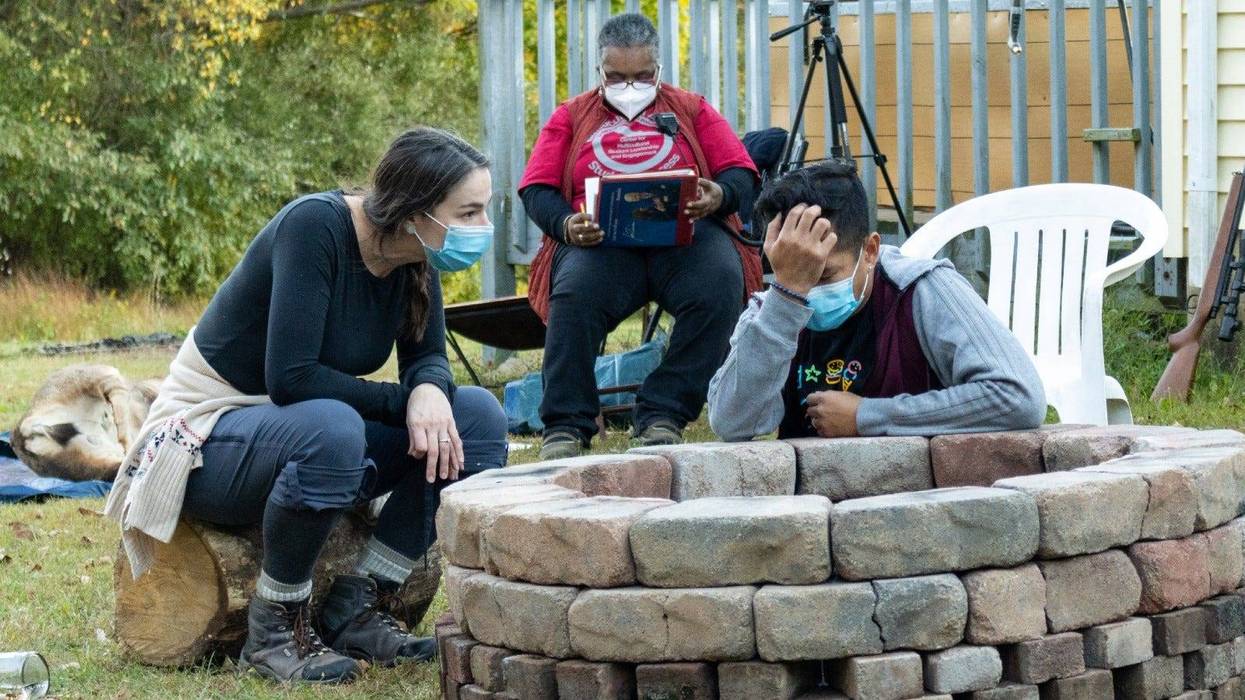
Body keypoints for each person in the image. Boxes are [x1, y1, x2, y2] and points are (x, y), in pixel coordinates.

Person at [104, 127, 509, 684]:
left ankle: (361, 604)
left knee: (480, 418)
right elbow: (292, 378)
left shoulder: (417, 256)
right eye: (467, 213)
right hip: (203, 438)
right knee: (334, 427)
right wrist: (406, 400)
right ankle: (274, 628)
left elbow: (428, 359)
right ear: (416, 209)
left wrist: (430, 390)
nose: (480, 229)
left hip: (296, 433)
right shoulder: (315, 227)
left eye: (483, 211)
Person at [519, 13, 764, 460]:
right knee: (573, 297)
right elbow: (536, 189)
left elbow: (741, 174)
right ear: (600, 70)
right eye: (616, 76)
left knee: (720, 286)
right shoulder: (571, 117)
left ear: (658, 70)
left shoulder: (691, 108)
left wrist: (719, 195)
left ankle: (663, 413)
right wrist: (565, 225)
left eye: (641, 76)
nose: (629, 86)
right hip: (599, 245)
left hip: (686, 240)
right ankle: (567, 424)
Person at [707, 161, 1046, 440]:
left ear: (869, 251)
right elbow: (732, 423)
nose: (807, 292)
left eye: (822, 276)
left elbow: (1017, 397)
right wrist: (785, 296)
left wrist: (867, 416)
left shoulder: (921, 290)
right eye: (795, 274)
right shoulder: (773, 309)